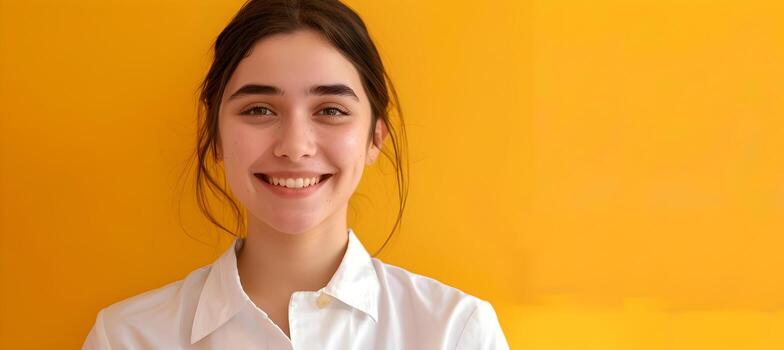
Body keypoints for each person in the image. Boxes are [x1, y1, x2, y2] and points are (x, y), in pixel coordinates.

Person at [81, 0, 509, 348]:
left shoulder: (454, 332)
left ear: (375, 137)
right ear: (214, 137)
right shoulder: (127, 338)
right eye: (260, 110)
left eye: (331, 111)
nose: (295, 145)